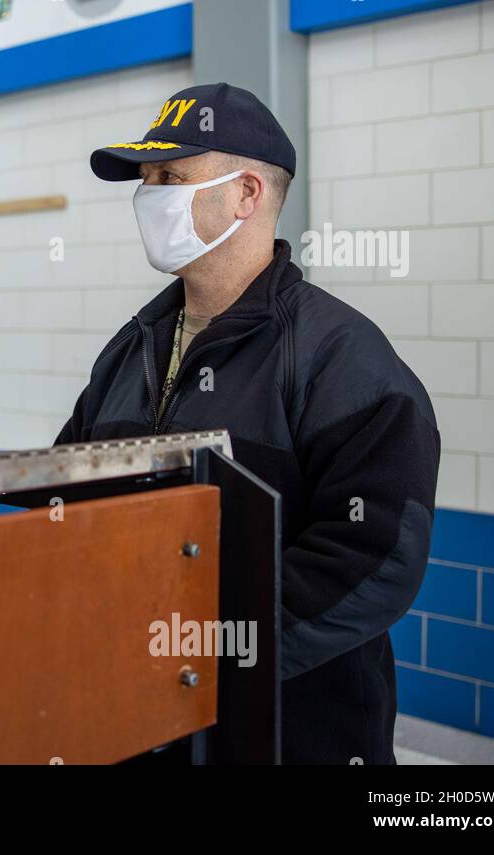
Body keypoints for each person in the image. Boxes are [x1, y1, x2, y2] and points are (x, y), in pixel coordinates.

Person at [60, 83, 441, 764]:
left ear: (246, 195)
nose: (148, 194)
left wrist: (208, 650)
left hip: (287, 736)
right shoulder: (130, 348)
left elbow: (377, 554)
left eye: (170, 176)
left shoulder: (341, 358)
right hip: (142, 722)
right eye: (146, 178)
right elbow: (66, 496)